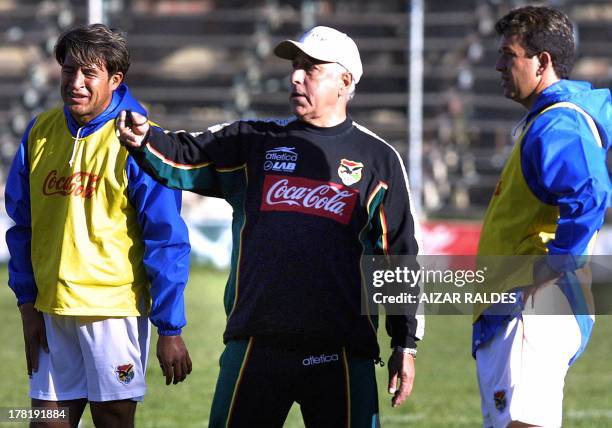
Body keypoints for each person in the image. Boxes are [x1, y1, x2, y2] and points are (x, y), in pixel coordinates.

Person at [117, 25, 423, 427]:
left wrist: (405, 344)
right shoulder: (254, 140)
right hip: (256, 344)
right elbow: (186, 155)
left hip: (343, 351)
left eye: (311, 68)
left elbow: (398, 257)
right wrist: (145, 139)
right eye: (295, 66)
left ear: (345, 80)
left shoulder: (379, 159)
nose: (296, 76)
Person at [5, 24, 192, 427]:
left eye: (89, 73)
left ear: (115, 79)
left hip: (113, 312)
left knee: (113, 420)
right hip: (51, 310)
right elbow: (22, 227)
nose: (76, 83)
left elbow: (167, 238)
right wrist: (27, 305)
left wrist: (170, 328)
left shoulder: (140, 138)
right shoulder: (39, 132)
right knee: (47, 422)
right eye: (69, 71)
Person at [473, 6, 611, 428]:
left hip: (531, 305)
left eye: (508, 55)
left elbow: (590, 194)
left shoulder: (558, 123)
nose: (498, 65)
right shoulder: (544, 122)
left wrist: (552, 266)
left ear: (542, 61)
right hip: (519, 304)